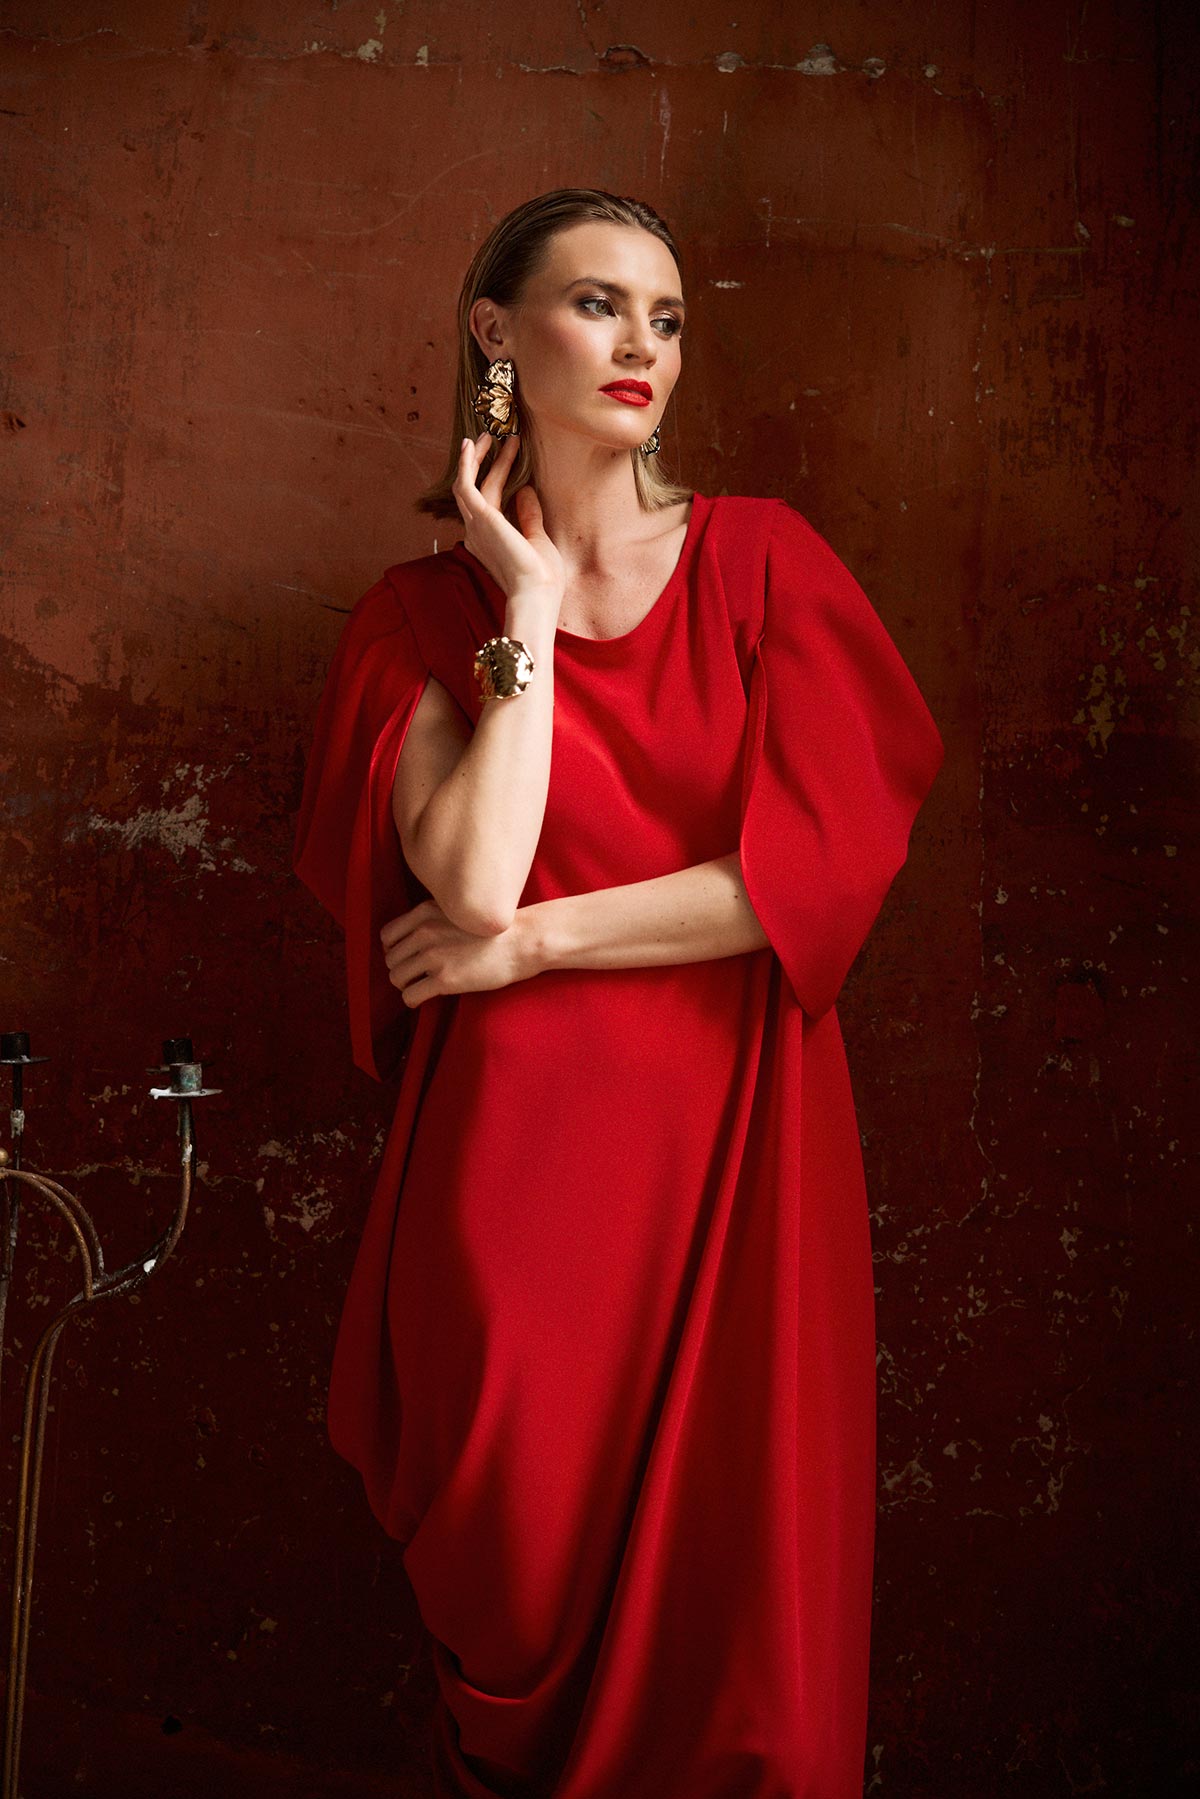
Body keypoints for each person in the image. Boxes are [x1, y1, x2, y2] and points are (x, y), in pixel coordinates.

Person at [294, 187, 945, 1799]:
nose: (642, 346)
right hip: (513, 1188)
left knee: (749, 1651)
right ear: (495, 334)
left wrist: (533, 955)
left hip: (737, 1155)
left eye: (665, 317)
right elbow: (475, 878)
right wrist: (520, 605)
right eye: (598, 306)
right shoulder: (417, 620)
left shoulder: (766, 564)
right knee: (509, 1568)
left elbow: (803, 881)